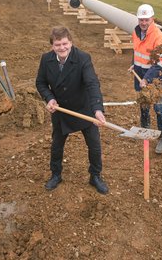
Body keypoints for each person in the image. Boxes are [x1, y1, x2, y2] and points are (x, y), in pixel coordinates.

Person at [35, 26, 109, 194]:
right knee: (57, 146)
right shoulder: (46, 59)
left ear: (71, 42)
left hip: (83, 108)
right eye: (57, 44)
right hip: (61, 110)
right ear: (52, 45)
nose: (62, 48)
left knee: (94, 146)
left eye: (65, 43)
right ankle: (56, 174)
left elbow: (92, 83)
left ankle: (95, 176)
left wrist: (97, 109)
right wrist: (50, 98)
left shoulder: (82, 58)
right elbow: (40, 83)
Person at [130, 4, 162, 154]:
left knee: (159, 107)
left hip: (157, 77)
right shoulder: (136, 32)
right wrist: (132, 65)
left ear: (152, 19)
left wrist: (146, 79)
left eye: (146, 19)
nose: (143, 22)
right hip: (140, 73)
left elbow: (159, 64)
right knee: (143, 102)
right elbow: (136, 50)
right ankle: (145, 130)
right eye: (141, 19)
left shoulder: (159, 37)